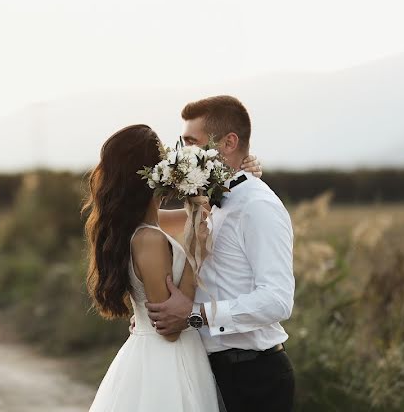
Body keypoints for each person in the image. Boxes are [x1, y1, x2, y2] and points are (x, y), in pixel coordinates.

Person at [84, 123, 263, 411]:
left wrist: (244, 173)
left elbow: (204, 212)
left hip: (158, 355)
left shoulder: (142, 224)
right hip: (166, 361)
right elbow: (169, 328)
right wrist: (195, 257)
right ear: (151, 172)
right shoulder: (149, 239)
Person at [145, 95, 296, 412]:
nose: (183, 154)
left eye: (192, 143)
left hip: (252, 377)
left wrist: (195, 316)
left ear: (229, 142)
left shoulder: (258, 206)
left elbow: (277, 300)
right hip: (207, 370)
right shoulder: (211, 202)